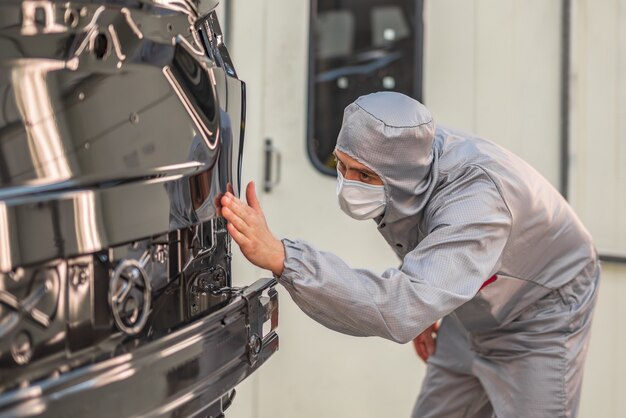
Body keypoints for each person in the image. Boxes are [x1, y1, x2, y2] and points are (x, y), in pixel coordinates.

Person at [220, 92, 600, 417]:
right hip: (473, 305)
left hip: (539, 313)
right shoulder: (412, 160)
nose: (349, 185)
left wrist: (284, 257)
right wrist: (433, 302)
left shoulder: (478, 205)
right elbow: (421, 229)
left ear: (403, 176)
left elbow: (399, 307)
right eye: (342, 166)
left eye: (365, 177)